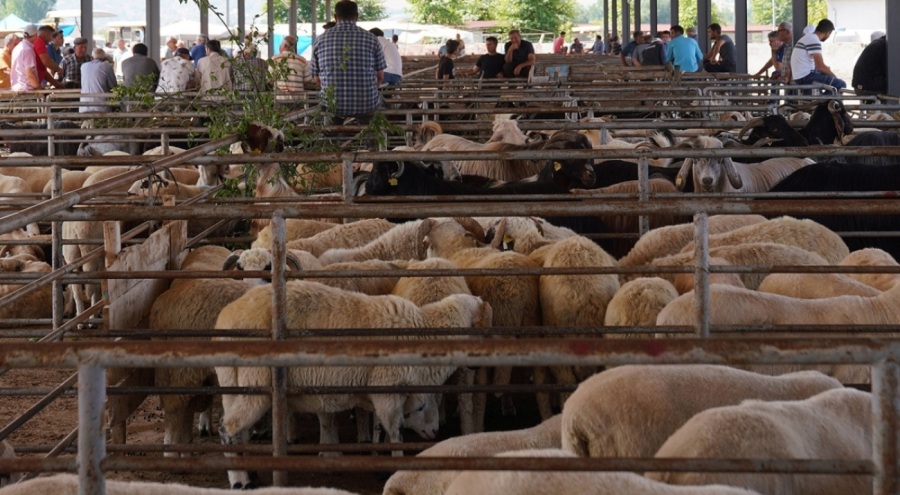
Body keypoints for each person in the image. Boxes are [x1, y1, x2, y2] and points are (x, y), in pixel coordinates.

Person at [309, 0, 386, 124]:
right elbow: (380, 76)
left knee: (330, 126)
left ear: (335, 17)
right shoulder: (372, 39)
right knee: (370, 125)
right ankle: (370, 141)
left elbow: (316, 79)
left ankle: (331, 140)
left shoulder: (320, 40)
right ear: (356, 16)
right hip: (366, 104)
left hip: (331, 104)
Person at [791, 19, 846, 92]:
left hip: (799, 76)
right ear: (828, 33)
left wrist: (827, 71)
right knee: (840, 84)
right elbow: (820, 66)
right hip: (806, 77)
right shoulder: (814, 40)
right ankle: (824, 102)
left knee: (828, 77)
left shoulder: (807, 38)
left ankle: (823, 100)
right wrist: (834, 77)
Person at [80, 48, 117, 113]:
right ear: (104, 58)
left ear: (92, 57)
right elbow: (114, 86)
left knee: (87, 123)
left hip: (84, 107)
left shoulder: (83, 66)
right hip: (101, 108)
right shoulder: (106, 66)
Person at [10, 25, 39, 91]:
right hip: (26, 90)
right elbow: (29, 75)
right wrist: (39, 87)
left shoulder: (17, 48)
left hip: (16, 88)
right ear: (36, 35)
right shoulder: (28, 50)